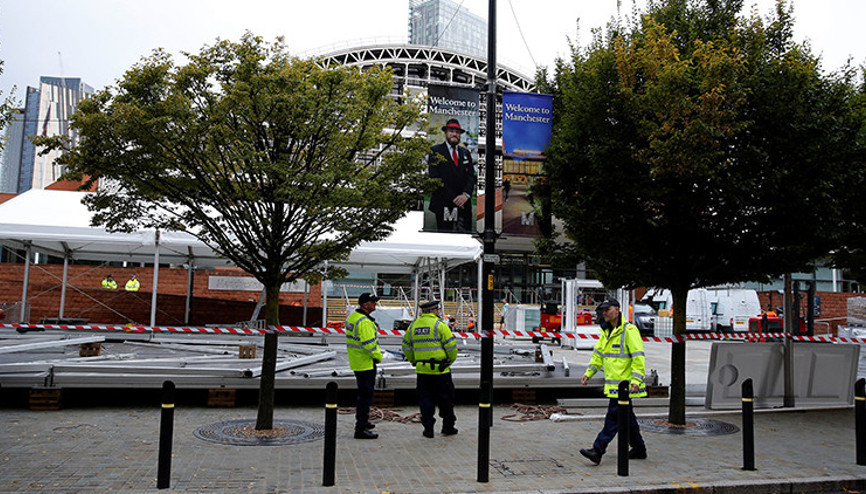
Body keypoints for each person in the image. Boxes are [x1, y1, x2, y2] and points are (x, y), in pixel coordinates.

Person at [579, 298, 648, 465]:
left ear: (617, 310)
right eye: (602, 310)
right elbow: (598, 356)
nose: (604, 313)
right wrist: (589, 373)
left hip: (624, 386)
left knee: (613, 418)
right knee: (627, 419)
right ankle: (639, 449)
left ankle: (598, 450)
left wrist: (635, 381)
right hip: (616, 386)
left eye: (607, 309)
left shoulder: (629, 331)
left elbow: (638, 358)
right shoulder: (606, 332)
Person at [402, 300, 459, 438]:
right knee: (446, 400)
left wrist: (414, 360)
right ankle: (448, 427)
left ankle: (428, 429)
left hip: (422, 371)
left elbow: (406, 346)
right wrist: (449, 361)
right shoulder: (440, 325)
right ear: (434, 310)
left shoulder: (413, 326)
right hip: (441, 370)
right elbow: (451, 347)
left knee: (425, 400)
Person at [428, 118, 476, 232]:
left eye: (457, 132)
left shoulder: (465, 152)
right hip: (443, 202)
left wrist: (465, 195)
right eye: (451, 131)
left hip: (464, 205)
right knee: (445, 238)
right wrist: (455, 198)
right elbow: (435, 178)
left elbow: (471, 176)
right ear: (446, 132)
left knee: (465, 237)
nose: (454, 134)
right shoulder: (435, 151)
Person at [345, 292, 383, 439]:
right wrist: (378, 357)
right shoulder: (364, 322)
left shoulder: (353, 317)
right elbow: (369, 345)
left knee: (363, 394)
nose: (375, 304)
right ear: (365, 305)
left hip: (357, 361)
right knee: (365, 396)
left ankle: (364, 421)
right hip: (366, 362)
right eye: (373, 302)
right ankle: (360, 428)